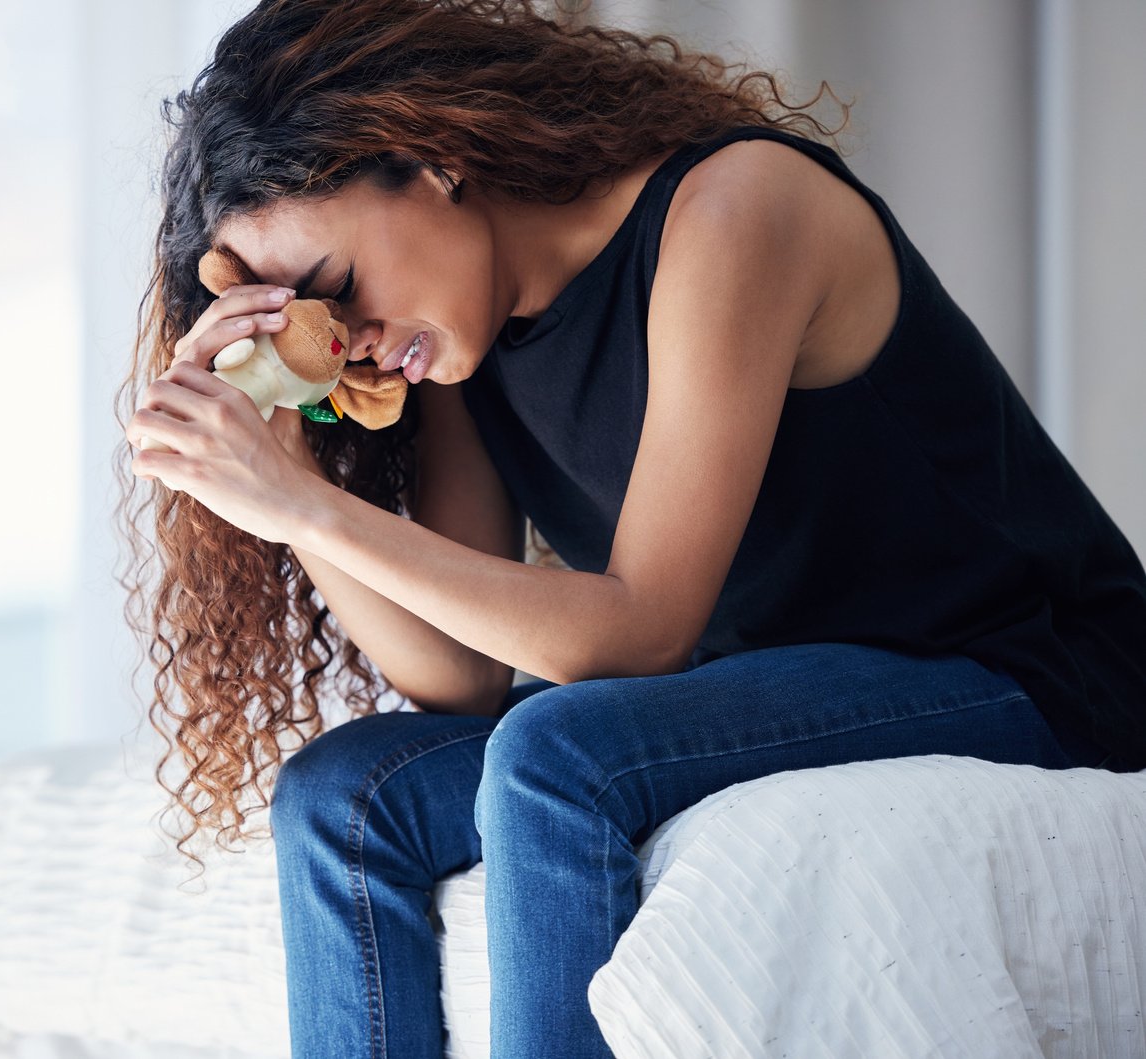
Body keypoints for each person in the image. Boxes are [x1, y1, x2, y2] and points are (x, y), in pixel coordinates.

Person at [114, 1, 1146, 1056]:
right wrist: (283, 466)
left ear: (429, 159)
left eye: (336, 287)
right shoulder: (454, 342)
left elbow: (642, 630)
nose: (354, 342)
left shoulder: (735, 211)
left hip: (1026, 667)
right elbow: (459, 677)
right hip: (774, 685)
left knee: (560, 750)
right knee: (345, 793)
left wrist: (307, 505)